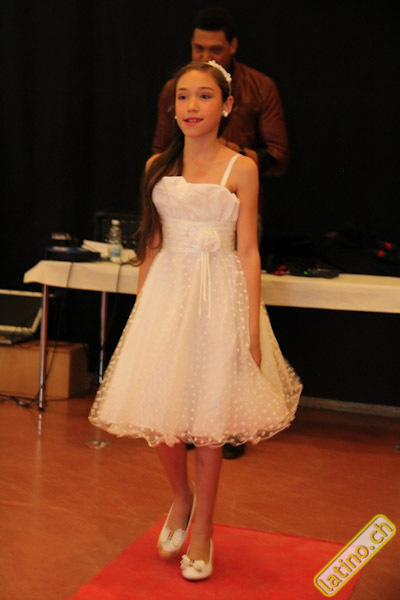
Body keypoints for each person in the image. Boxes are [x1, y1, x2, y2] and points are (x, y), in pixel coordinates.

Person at [89, 60, 301, 581]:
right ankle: (180, 497)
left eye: (204, 96)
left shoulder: (241, 168)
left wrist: (251, 328)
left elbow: (248, 251)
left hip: (219, 299)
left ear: (226, 106)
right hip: (168, 297)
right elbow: (151, 245)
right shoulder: (156, 167)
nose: (191, 107)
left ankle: (203, 528)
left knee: (208, 421)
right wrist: (142, 313)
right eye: (183, 97)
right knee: (162, 412)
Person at [152, 6, 290, 460]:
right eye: (198, 47)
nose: (206, 55)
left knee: (220, 327)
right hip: (181, 214)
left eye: (215, 48)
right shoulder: (175, 90)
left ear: (232, 47)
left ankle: (222, 419)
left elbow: (278, 152)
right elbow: (161, 147)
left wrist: (231, 156)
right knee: (180, 335)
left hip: (230, 206)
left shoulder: (259, 87)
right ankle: (187, 418)